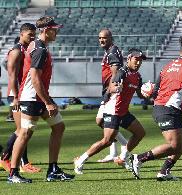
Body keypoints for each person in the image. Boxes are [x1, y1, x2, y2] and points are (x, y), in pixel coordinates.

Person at [129, 35, 182, 181]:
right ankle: (138, 158)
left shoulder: (167, 66)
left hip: (162, 108)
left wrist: (148, 91)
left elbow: (155, 92)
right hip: (168, 109)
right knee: (174, 145)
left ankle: (164, 172)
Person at [8, 16, 75, 183]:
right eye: (54, 28)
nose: (57, 31)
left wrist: (47, 99)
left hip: (38, 96)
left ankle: (53, 170)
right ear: (46, 30)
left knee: (59, 127)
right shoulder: (40, 49)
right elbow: (35, 78)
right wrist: (48, 102)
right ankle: (13, 174)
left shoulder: (38, 46)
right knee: (24, 133)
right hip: (32, 97)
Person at [74, 48, 147, 174]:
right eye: (136, 59)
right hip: (113, 110)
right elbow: (112, 87)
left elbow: (140, 95)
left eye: (141, 60)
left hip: (123, 112)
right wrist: (118, 88)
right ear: (129, 59)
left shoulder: (138, 76)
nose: (139, 62)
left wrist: (149, 93)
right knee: (107, 141)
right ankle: (80, 160)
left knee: (140, 133)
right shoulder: (122, 72)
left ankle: (122, 158)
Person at [0, 25, 41, 174]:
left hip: (21, 94)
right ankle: (12, 160)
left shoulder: (26, 50)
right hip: (16, 95)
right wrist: (15, 97)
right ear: (21, 34)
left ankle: (12, 160)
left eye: (34, 35)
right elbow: (12, 76)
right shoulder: (16, 51)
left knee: (23, 129)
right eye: (30, 34)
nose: (32, 37)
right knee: (22, 130)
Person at [95, 29, 128, 164]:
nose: (101, 40)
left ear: (110, 38)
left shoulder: (113, 52)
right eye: (100, 38)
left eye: (104, 38)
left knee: (101, 121)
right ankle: (113, 153)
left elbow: (115, 74)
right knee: (106, 122)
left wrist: (109, 92)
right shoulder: (109, 51)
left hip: (110, 92)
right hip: (107, 91)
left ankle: (125, 145)